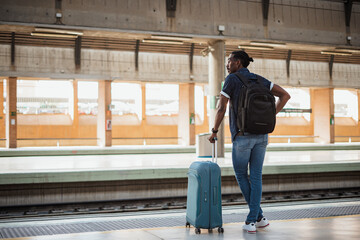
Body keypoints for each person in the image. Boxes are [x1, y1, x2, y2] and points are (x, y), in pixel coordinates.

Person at [208, 50, 290, 233]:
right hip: (262, 135)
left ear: (238, 62)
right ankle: (259, 218)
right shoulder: (261, 80)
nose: (227, 64)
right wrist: (270, 115)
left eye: (229, 61)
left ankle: (252, 220)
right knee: (256, 176)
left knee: (240, 174)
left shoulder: (232, 79)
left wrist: (214, 131)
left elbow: (221, 107)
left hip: (242, 135)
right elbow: (285, 95)